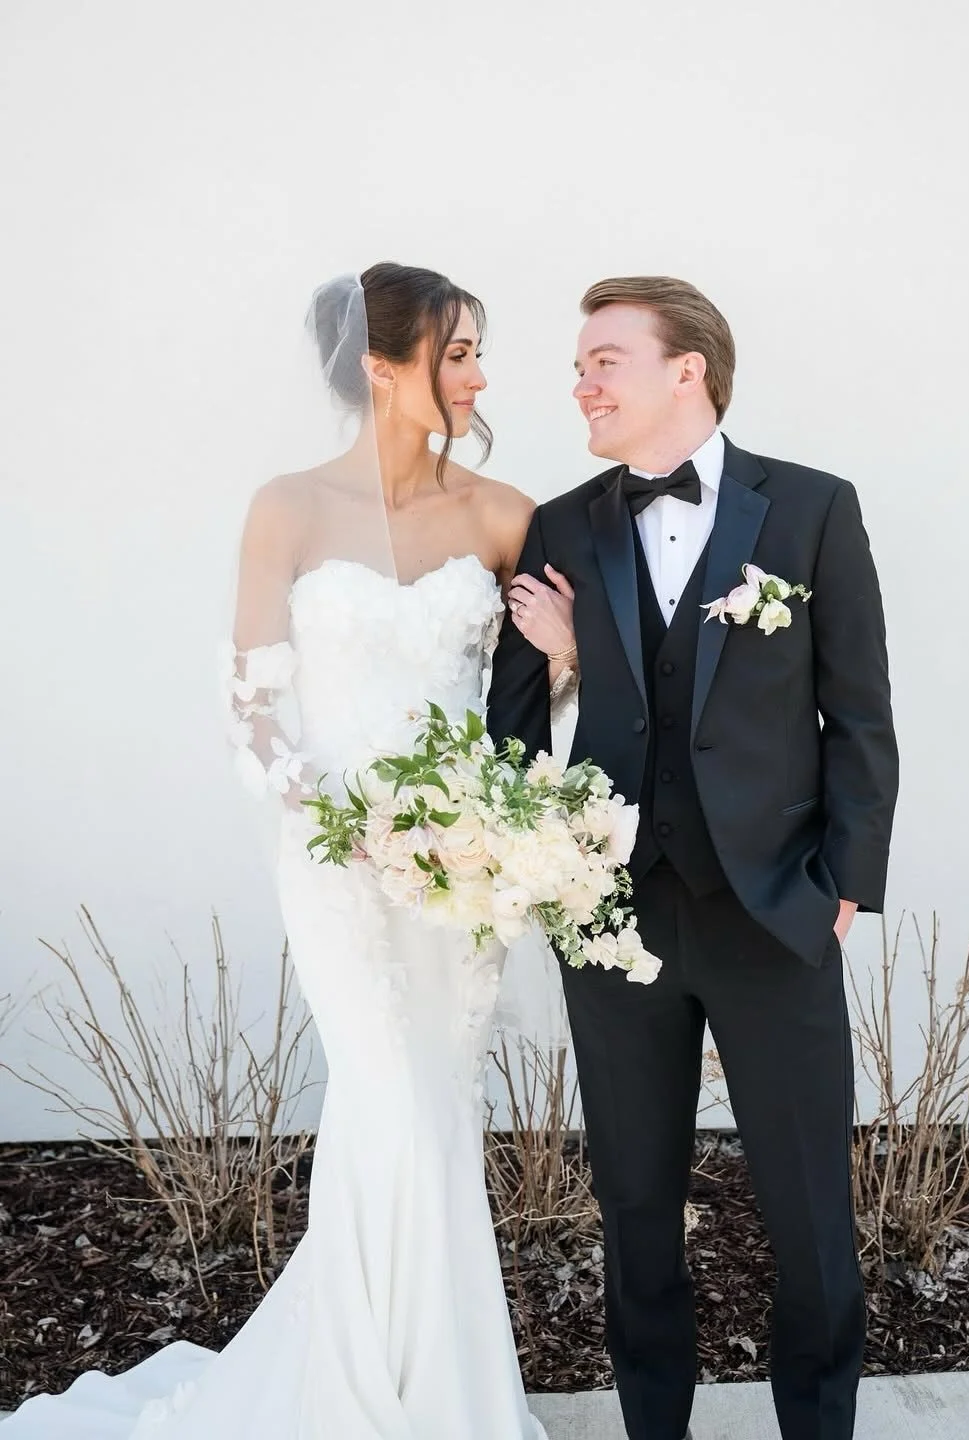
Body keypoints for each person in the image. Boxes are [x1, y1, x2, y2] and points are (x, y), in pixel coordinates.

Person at [3, 263, 576, 1439]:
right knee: (386, 1099)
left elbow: (539, 706)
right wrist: (336, 819)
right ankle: (358, 1399)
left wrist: (566, 664)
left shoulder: (505, 515)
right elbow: (252, 702)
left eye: (477, 352)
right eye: (457, 353)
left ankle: (448, 1396)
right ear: (382, 366)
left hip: (463, 865)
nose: (478, 375)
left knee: (439, 1110)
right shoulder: (289, 509)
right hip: (335, 858)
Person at [487, 275, 899, 1440]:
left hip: (774, 911)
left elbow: (859, 716)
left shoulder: (812, 509)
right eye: (578, 366)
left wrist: (845, 885)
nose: (580, 384)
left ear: (687, 371)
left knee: (810, 1211)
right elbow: (512, 736)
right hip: (614, 920)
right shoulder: (561, 526)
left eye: (603, 361)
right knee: (634, 1209)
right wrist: (546, 865)